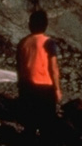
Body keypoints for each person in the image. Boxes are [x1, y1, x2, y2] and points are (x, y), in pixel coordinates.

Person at [16, 10, 62, 140]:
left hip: (26, 88)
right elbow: (53, 67)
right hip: (44, 88)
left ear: (30, 24)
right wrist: (57, 89)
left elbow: (19, 67)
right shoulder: (48, 42)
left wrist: (21, 87)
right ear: (45, 25)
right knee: (47, 126)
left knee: (29, 124)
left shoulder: (23, 43)